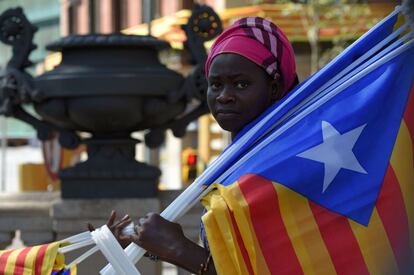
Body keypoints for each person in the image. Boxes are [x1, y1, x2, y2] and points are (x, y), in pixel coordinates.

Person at [101, 17, 298, 274]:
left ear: (273, 88)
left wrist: (178, 248)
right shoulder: (237, 161)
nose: (224, 96)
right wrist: (145, 241)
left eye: (241, 84)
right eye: (216, 85)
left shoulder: (289, 164)